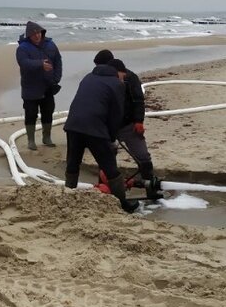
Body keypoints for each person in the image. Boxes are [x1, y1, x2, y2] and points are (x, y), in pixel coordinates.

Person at [63, 58, 138, 213]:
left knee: (73, 162)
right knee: (110, 167)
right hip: (95, 128)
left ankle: (67, 197)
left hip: (73, 124)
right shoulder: (117, 84)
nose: (123, 79)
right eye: (123, 76)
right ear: (118, 72)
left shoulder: (88, 77)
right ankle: (122, 204)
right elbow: (116, 114)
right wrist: (111, 137)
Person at [97, 53, 162, 199]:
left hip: (128, 125)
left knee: (142, 156)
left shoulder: (130, 78)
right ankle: (106, 190)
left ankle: (150, 186)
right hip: (108, 127)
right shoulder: (101, 79)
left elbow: (138, 100)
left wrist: (139, 121)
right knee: (106, 158)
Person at [16, 21, 62, 150]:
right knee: (31, 113)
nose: (37, 36)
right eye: (34, 33)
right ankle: (31, 141)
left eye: (39, 33)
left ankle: (46, 137)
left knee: (48, 111)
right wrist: (40, 64)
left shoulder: (50, 45)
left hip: (48, 86)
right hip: (30, 87)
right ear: (28, 35)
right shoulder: (23, 48)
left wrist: (56, 78)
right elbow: (24, 63)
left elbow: (58, 61)